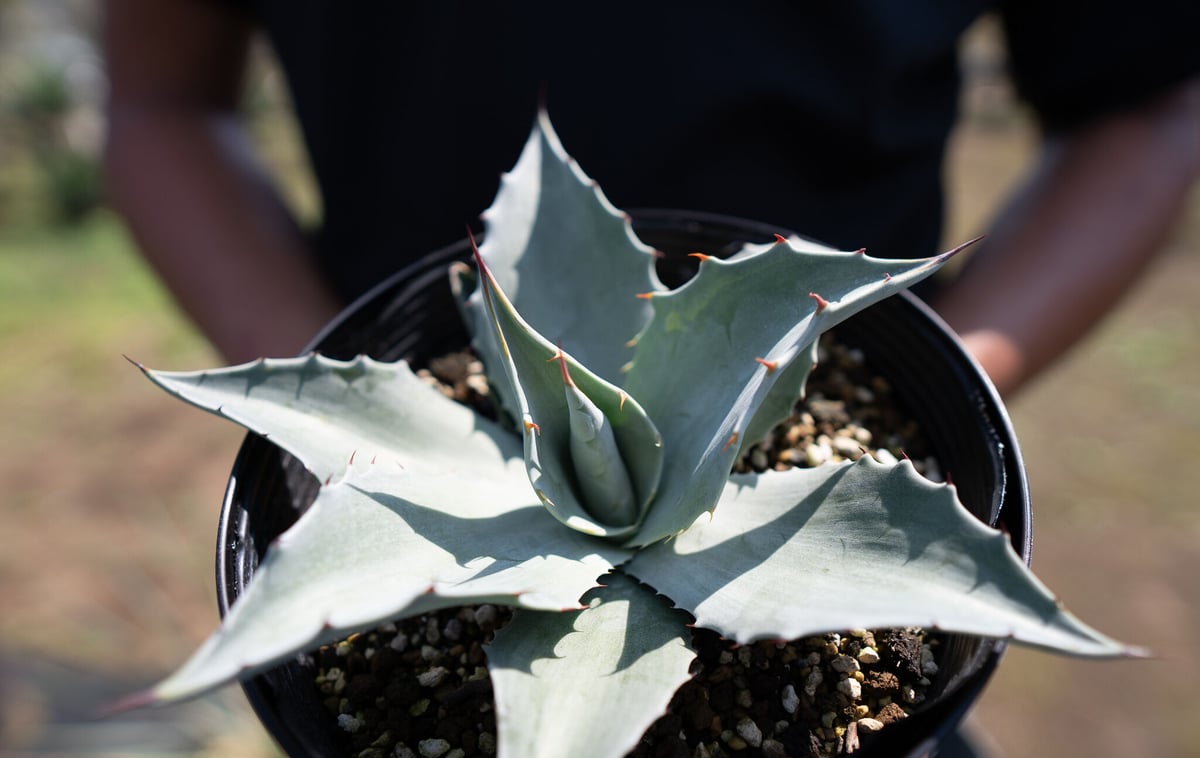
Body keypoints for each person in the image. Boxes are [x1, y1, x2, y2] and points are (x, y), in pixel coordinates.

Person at [102, 0, 1200, 400]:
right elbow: (163, 97)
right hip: (419, 415)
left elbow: (1141, 101)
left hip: (839, 400)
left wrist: (960, 371)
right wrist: (334, 409)